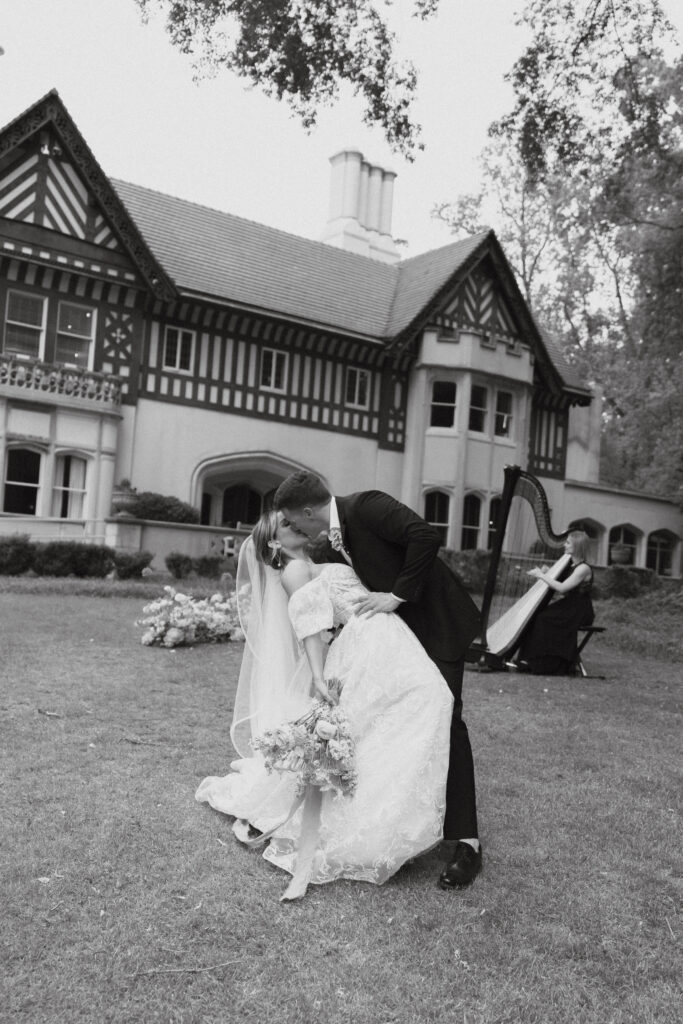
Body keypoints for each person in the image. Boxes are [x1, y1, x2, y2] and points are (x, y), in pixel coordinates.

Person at [196, 510, 454, 899]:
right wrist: (318, 675)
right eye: (286, 524)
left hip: (385, 635)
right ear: (274, 542)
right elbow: (309, 626)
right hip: (365, 644)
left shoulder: (315, 563)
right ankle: (377, 820)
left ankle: (392, 812)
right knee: (428, 700)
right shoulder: (294, 571)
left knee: (414, 708)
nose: (296, 524)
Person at [273, 471, 483, 891]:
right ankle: (414, 819)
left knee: (445, 716)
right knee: (401, 722)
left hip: (436, 624)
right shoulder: (332, 540)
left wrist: (397, 595)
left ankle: (467, 843)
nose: (297, 531)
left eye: (297, 522)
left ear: (310, 511)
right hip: (399, 639)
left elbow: (424, 536)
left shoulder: (366, 505)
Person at [517, 530, 595, 675]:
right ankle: (531, 659)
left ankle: (550, 663)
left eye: (568, 543)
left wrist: (541, 575)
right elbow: (565, 589)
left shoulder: (583, 568)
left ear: (577, 546)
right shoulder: (571, 565)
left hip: (579, 610)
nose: (564, 545)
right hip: (569, 605)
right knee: (538, 616)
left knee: (544, 619)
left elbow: (562, 587)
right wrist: (548, 573)